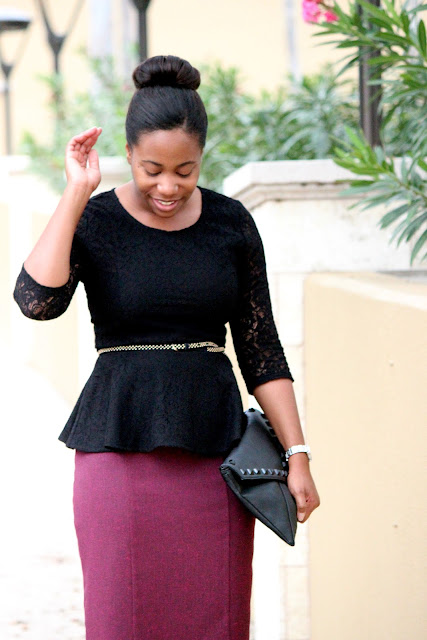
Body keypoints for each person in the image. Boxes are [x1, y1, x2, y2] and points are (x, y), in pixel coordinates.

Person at [13, 55, 320, 640]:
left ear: (202, 156)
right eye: (152, 169)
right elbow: (36, 301)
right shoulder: (96, 219)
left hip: (216, 455)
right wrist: (76, 193)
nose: (169, 186)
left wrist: (298, 454)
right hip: (117, 449)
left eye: (186, 170)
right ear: (129, 154)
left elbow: (262, 350)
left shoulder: (231, 223)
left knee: (216, 617)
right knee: (122, 618)